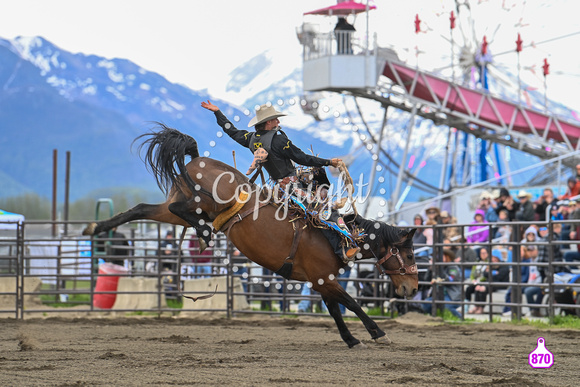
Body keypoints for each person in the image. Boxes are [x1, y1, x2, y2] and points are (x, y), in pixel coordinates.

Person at [201, 100, 359, 262]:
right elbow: (301, 157)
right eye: (276, 119)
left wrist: (217, 113)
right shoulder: (278, 140)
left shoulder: (251, 138)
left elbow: (232, 131)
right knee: (322, 211)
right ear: (268, 122)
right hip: (293, 187)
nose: (278, 121)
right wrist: (328, 162)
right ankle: (342, 249)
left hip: (279, 187)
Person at [422, 249, 462, 318]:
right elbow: (426, 281)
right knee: (425, 305)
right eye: (436, 256)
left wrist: (439, 268)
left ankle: (460, 318)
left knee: (445, 306)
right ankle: (435, 317)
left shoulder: (453, 267)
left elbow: (450, 280)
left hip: (452, 296)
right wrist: (431, 269)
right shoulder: (435, 267)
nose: (438, 258)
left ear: (447, 257)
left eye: (440, 256)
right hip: (438, 294)